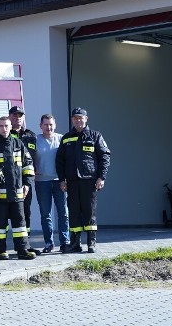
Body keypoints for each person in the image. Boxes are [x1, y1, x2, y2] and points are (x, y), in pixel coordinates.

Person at [57, 108, 111, 253]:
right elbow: (60, 161)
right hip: (72, 182)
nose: (78, 120)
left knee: (89, 211)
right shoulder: (66, 138)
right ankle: (75, 244)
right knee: (74, 212)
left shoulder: (95, 136)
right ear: (72, 120)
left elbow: (105, 157)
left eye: (81, 118)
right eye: (75, 118)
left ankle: (91, 243)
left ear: (86, 119)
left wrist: (101, 177)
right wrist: (62, 180)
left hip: (89, 181)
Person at [0, 116, 36, 260]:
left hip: (17, 193)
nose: (4, 128)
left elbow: (28, 165)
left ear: (10, 127)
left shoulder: (18, 143)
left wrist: (27, 183)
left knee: (20, 223)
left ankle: (22, 249)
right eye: (1, 126)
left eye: (6, 126)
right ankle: (0, 251)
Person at [33, 114, 70, 253]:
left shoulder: (62, 139)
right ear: (40, 126)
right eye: (46, 124)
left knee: (63, 213)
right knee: (45, 214)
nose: (48, 127)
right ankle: (49, 243)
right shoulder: (35, 140)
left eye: (51, 124)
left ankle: (65, 242)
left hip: (59, 181)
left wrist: (64, 179)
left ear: (55, 125)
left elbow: (66, 161)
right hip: (42, 182)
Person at [8, 106, 40, 255]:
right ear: (10, 117)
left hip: (26, 182)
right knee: (9, 214)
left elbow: (33, 159)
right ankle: (5, 247)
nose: (18, 118)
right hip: (9, 182)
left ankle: (25, 244)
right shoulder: (5, 134)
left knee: (26, 213)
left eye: (20, 115)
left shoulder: (31, 135)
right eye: (14, 115)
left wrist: (30, 180)